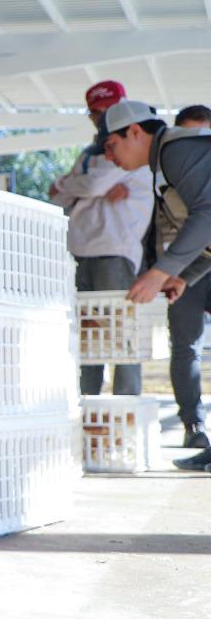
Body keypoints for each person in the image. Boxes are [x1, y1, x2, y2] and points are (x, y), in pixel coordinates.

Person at [100, 100, 211, 471]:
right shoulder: (164, 163)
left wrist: (159, 272)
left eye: (111, 145)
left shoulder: (177, 150)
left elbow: (209, 214)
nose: (109, 157)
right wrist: (185, 275)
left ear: (134, 131)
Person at [49, 81, 152, 397]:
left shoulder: (132, 146)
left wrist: (78, 186)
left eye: (106, 110)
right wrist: (85, 186)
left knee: (122, 336)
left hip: (115, 251)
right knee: (87, 339)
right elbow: (56, 195)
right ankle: (87, 408)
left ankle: (126, 412)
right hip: (80, 252)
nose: (100, 118)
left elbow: (84, 187)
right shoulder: (88, 155)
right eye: (94, 112)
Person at [164, 105, 211, 450]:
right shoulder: (166, 174)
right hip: (183, 272)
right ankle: (193, 427)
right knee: (185, 350)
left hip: (196, 264)